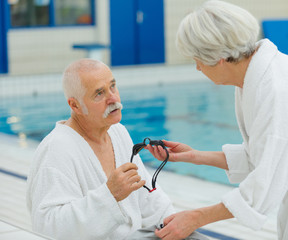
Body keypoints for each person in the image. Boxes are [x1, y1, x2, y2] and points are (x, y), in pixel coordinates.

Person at [146, 1, 288, 239]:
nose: (197, 67)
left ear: (218, 58)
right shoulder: (256, 76)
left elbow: (265, 183)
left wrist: (196, 218)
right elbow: (262, 155)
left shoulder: (278, 89)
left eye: (197, 59)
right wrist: (193, 156)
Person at [26, 59, 177, 239]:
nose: (113, 98)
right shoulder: (57, 150)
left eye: (113, 86)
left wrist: (173, 222)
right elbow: (47, 228)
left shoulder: (117, 132)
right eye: (99, 93)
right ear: (75, 105)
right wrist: (109, 195)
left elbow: (147, 194)